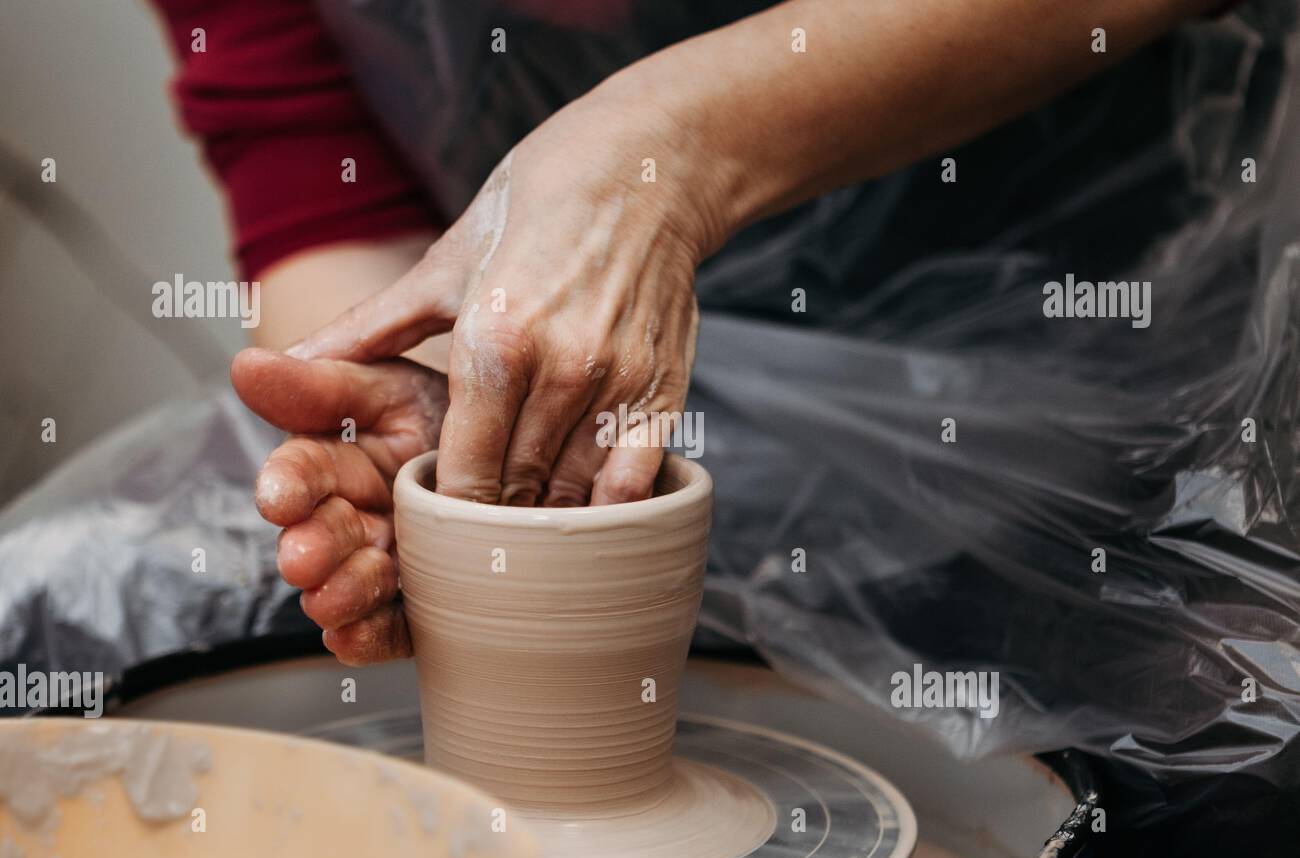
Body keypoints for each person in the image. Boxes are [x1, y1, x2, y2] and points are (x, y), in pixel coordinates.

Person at [153, 0, 1236, 666]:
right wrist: (429, 456)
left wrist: (672, 149)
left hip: (1127, 356)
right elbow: (314, 155)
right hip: (611, 445)